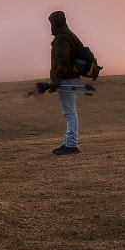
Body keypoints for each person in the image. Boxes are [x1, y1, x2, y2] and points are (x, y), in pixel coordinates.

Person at [42, 10, 96, 156]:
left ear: (56, 23)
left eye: (52, 23)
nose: (51, 27)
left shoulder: (62, 38)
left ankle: (72, 144)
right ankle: (68, 142)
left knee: (69, 113)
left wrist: (57, 79)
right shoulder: (70, 35)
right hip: (71, 77)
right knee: (70, 111)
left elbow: (62, 60)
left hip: (65, 78)